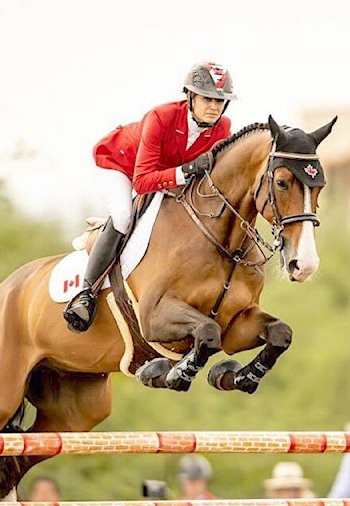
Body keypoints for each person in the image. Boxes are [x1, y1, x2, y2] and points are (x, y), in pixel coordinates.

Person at [63, 61, 236, 333]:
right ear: (190, 96)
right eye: (207, 99)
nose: (214, 107)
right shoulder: (161, 117)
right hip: (119, 164)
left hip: (163, 176)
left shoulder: (222, 128)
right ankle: (86, 293)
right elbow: (143, 182)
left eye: (220, 101)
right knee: (122, 215)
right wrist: (186, 171)